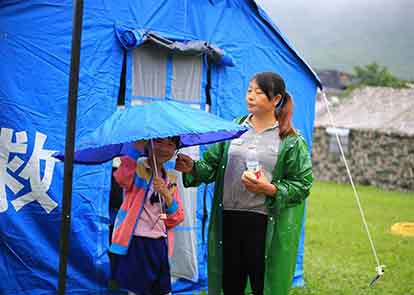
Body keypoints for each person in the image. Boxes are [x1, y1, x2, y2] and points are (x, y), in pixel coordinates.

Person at [175, 72, 313, 295]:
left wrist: (269, 188)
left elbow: (303, 184)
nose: (251, 96)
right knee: (231, 282)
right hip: (229, 217)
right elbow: (210, 166)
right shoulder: (233, 130)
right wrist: (192, 166)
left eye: (258, 93)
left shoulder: (290, 140)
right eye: (249, 91)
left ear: (276, 99)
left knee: (262, 283)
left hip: (264, 222)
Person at [110, 137, 185, 295]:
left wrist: (166, 195)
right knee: (136, 290)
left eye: (170, 144)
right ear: (148, 144)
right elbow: (121, 179)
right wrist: (135, 150)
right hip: (136, 240)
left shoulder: (170, 178)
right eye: (158, 142)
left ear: (175, 151)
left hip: (159, 243)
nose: (164, 148)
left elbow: (175, 218)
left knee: (162, 290)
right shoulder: (137, 168)